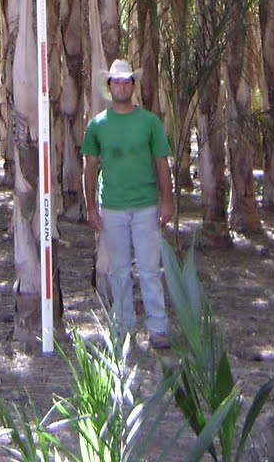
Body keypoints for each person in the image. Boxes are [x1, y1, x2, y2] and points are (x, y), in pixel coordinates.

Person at [82, 57, 174, 348]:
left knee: (149, 270)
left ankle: (157, 329)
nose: (121, 86)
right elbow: (90, 167)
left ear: (133, 85)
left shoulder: (149, 122)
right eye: (116, 81)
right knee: (119, 271)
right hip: (112, 207)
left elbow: (161, 163)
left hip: (145, 206)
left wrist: (167, 201)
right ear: (109, 87)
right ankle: (122, 327)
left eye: (126, 81)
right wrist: (91, 207)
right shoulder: (97, 125)